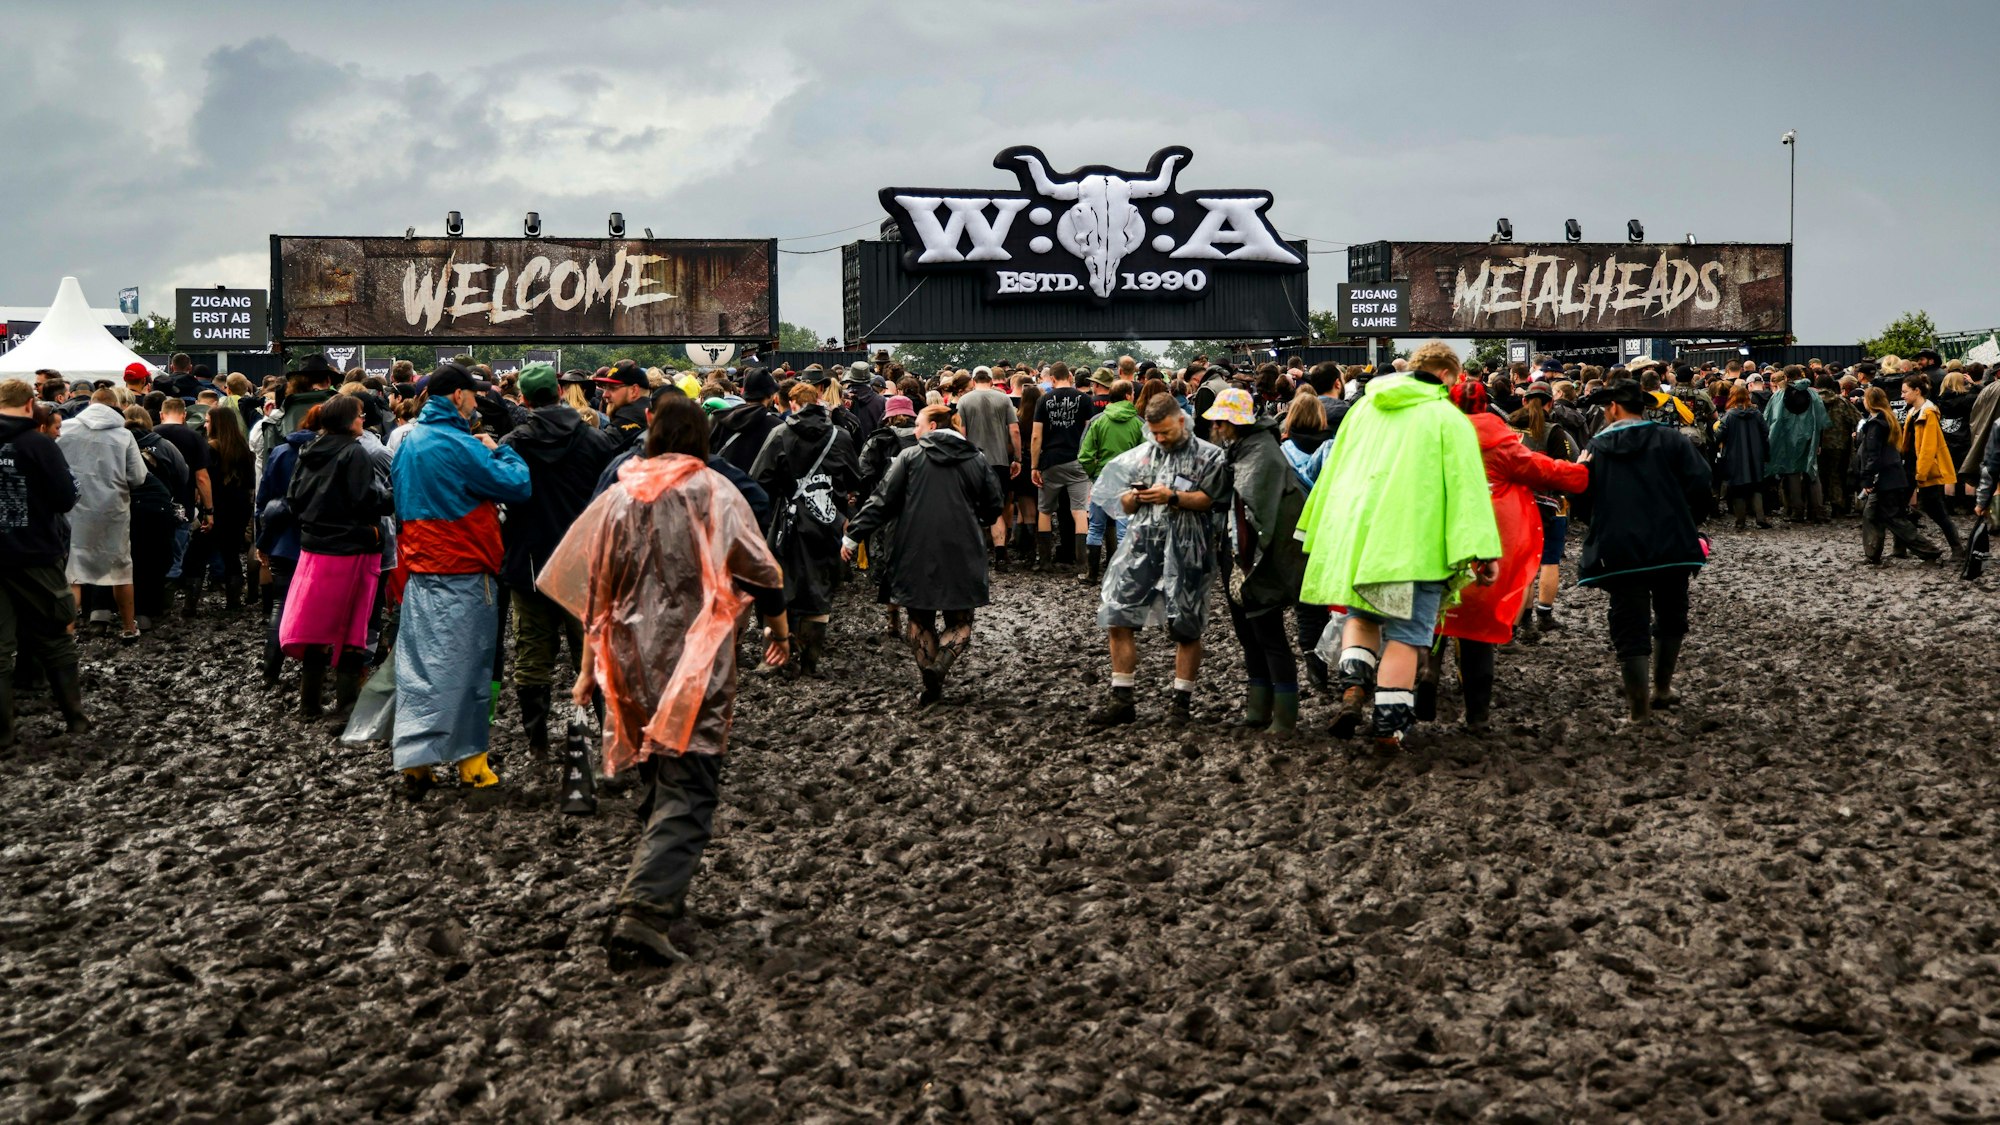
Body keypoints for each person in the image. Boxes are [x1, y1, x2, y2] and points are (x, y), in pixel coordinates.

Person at [536, 393, 788, 967]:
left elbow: (593, 591)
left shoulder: (618, 496)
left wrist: (584, 671)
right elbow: (761, 566)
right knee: (691, 782)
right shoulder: (716, 492)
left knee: (654, 768)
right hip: (693, 660)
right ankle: (645, 910)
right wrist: (781, 629)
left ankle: (659, 884)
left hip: (625, 661)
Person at [1295, 342, 1501, 747]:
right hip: (1419, 546)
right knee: (1407, 636)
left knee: (1363, 617)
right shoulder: (1448, 418)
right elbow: (1467, 489)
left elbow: (1336, 471)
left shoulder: (1363, 411)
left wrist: (1317, 528)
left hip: (1363, 540)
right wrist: (1483, 551)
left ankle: (1354, 687)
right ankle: (1389, 728)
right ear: (1446, 375)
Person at [389, 365, 533, 797]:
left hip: (420, 570)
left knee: (419, 668)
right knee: (470, 667)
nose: (477, 404)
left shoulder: (409, 442)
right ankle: (471, 762)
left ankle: (416, 763)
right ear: (457, 397)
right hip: (467, 570)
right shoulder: (460, 444)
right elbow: (517, 485)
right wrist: (502, 451)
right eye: (473, 396)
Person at [1435, 377, 1588, 733]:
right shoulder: (1502, 443)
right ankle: (1477, 716)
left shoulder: (1433, 440)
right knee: (1478, 629)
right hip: (1486, 543)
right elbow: (1544, 469)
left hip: (1436, 540)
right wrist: (1581, 470)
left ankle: (1424, 689)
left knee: (1432, 621)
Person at [842, 405, 1004, 706]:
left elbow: (882, 501)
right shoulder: (976, 458)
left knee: (919, 619)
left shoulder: (910, 457)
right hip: (963, 546)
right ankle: (941, 665)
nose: (914, 431)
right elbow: (994, 505)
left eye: (917, 425)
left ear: (931, 426)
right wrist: (975, 518)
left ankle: (930, 678)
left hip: (914, 547)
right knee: (961, 619)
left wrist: (853, 536)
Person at [497, 363, 620, 756]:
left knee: (532, 655)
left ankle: (537, 745)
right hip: (584, 564)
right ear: (562, 392)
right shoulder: (596, 442)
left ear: (525, 400)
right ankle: (608, 738)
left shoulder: (513, 444)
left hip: (529, 563)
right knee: (595, 652)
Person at [1086, 393, 1230, 726]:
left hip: (1189, 546)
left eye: (1165, 432)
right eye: (1155, 433)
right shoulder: (1142, 456)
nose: (1160, 438)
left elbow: (1212, 500)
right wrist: (1134, 498)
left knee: (1186, 623)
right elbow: (1121, 504)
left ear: (1182, 421)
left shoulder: (1210, 456)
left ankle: (1180, 703)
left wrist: (1173, 496)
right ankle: (1122, 697)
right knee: (1117, 614)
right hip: (1141, 544)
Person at [1574, 381, 1711, 722]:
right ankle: (1662, 688)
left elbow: (1581, 496)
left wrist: (1599, 520)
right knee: (1671, 615)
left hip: (1620, 549)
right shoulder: (1672, 439)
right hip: (1672, 544)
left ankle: (1639, 712)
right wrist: (1688, 519)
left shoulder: (1597, 447)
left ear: (1615, 408)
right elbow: (1702, 481)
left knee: (1629, 624)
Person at [278, 395, 392, 719]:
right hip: (352, 550)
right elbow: (366, 500)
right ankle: (347, 705)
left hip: (314, 549)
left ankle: (309, 705)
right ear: (346, 420)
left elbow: (293, 498)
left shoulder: (308, 450)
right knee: (352, 627)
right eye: (358, 415)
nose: (363, 420)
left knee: (316, 629)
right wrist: (396, 497)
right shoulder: (353, 452)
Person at [1201, 389, 1307, 733]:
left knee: (1269, 635)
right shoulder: (1240, 449)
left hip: (1262, 560)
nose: (1214, 426)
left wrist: (1248, 565)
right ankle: (1258, 707)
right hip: (1240, 555)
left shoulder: (1262, 454)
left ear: (1233, 422)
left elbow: (1258, 514)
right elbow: (1221, 493)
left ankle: (1285, 716)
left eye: (1219, 420)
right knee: (1248, 635)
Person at [751, 380, 861, 675]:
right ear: (819, 401)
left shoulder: (780, 433)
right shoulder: (840, 436)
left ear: (794, 405)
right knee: (820, 589)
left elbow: (759, 479)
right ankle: (809, 660)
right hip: (829, 522)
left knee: (781, 586)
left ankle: (774, 657)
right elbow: (854, 479)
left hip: (787, 522)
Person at [0, 379, 86, 745]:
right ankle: (75, 719)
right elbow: (66, 497)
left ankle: (3, 734)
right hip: (35, 553)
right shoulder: (39, 443)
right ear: (29, 404)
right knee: (55, 633)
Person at [58, 389, 148, 643]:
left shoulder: (65, 430)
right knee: (120, 570)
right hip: (112, 511)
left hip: (74, 509)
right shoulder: (123, 435)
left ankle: (68, 631)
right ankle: (129, 627)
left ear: (90, 403)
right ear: (116, 406)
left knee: (73, 571)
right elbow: (138, 477)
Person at [1509, 382, 1581, 638]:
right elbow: (1568, 467)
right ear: (1551, 403)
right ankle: (1544, 614)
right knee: (1548, 559)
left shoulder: (1507, 428)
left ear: (1524, 401)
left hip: (1511, 504)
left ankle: (1522, 618)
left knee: (1519, 565)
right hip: (1549, 505)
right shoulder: (1554, 432)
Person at [120, 406, 186, 632]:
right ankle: (150, 609)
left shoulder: (118, 443)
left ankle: (115, 609)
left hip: (123, 506)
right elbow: (182, 474)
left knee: (127, 558)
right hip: (158, 507)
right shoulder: (164, 445)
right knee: (157, 558)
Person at [1858, 385, 1942, 564]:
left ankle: (1928, 550)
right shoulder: (1888, 419)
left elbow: (1873, 454)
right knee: (1876, 515)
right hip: (1892, 475)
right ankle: (1874, 553)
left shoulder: (1875, 424)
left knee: (1890, 518)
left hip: (1884, 478)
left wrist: (1867, 478)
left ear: (1869, 402)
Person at [185, 406, 255, 615]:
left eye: (207, 421)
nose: (205, 425)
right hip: (238, 507)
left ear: (217, 424)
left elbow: (202, 479)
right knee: (231, 553)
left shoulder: (208, 450)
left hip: (214, 507)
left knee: (197, 555)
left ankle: (190, 606)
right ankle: (233, 602)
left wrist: (207, 509)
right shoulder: (244, 450)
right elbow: (250, 483)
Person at [1076, 379, 1145, 585]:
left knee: (1096, 527)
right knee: (1125, 528)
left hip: (1102, 480)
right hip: (1128, 481)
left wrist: (1094, 474)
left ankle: (1091, 575)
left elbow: (1085, 455)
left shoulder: (1098, 420)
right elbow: (1146, 457)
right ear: (1127, 396)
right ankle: (1123, 577)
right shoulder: (1139, 423)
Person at [954, 367, 1022, 568]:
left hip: (972, 462)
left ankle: (974, 554)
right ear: (992, 381)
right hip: (999, 462)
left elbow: (962, 434)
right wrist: (1017, 458)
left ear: (973, 381)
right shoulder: (1004, 400)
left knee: (971, 508)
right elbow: (1015, 430)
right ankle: (1000, 554)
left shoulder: (964, 401)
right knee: (997, 510)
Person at [1031, 363, 1095, 571]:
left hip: (1051, 461)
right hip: (1077, 461)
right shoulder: (1084, 399)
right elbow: (1089, 432)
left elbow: (1036, 436)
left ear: (1052, 379)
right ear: (1070, 375)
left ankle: (1045, 561)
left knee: (1045, 511)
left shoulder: (1043, 400)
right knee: (1079, 511)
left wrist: (1034, 466)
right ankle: (1082, 563)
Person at [1901, 373, 1964, 557]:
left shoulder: (1927, 413)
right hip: (1913, 466)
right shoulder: (1914, 412)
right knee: (1901, 508)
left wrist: (1920, 474)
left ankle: (1957, 549)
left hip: (1925, 469)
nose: (1902, 395)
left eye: (1905, 392)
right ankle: (1901, 547)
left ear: (1917, 391)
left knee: (1936, 511)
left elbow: (1928, 448)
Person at [1764, 368, 1828, 524]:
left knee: (1792, 474)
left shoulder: (1779, 395)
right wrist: (1819, 441)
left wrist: (1772, 442)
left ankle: (1797, 512)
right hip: (1810, 438)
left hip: (1788, 441)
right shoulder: (1814, 394)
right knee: (1812, 472)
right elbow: (1822, 420)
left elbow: (1773, 420)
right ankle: (1818, 512)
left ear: (1785, 377)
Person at [1716, 384, 1772, 530]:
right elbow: (1766, 433)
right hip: (1756, 455)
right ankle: (1760, 517)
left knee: (1737, 488)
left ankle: (1740, 520)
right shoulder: (1757, 414)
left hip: (1735, 456)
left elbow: (1719, 434)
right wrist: (1766, 452)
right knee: (1757, 486)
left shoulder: (1729, 416)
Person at [709, 368, 783, 477]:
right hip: (758, 491)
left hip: (723, 486)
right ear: (770, 395)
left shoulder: (719, 418)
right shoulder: (779, 428)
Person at [1816, 375, 1862, 517]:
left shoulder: (1813, 401)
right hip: (1840, 444)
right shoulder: (1842, 402)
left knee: (1818, 476)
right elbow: (1858, 419)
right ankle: (1839, 506)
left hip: (1817, 445)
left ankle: (1818, 506)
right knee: (1838, 475)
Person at [594, 361, 651, 444]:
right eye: (605, 388)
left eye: (612, 388)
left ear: (634, 390)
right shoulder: (661, 417)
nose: (605, 395)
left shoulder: (618, 431)